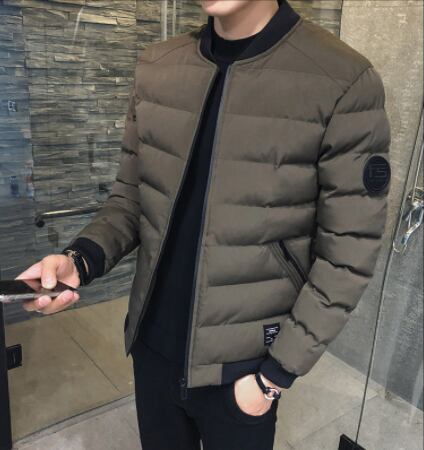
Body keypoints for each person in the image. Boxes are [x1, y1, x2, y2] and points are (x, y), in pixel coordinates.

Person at [17, 0, 392, 449]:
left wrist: (273, 377)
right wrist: (79, 259)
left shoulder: (342, 79)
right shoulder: (158, 66)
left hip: (244, 368)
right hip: (152, 348)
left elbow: (349, 252)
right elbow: (132, 199)